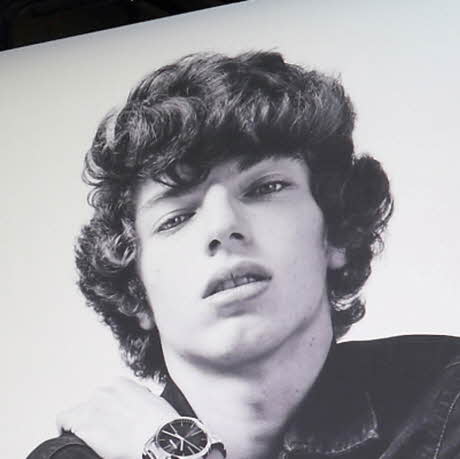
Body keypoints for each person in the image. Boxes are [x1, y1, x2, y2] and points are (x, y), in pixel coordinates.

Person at [27, 51, 460, 459]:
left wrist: (176, 451)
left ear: (336, 236)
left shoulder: (448, 396)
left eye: (266, 188)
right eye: (176, 218)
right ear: (136, 295)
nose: (222, 227)